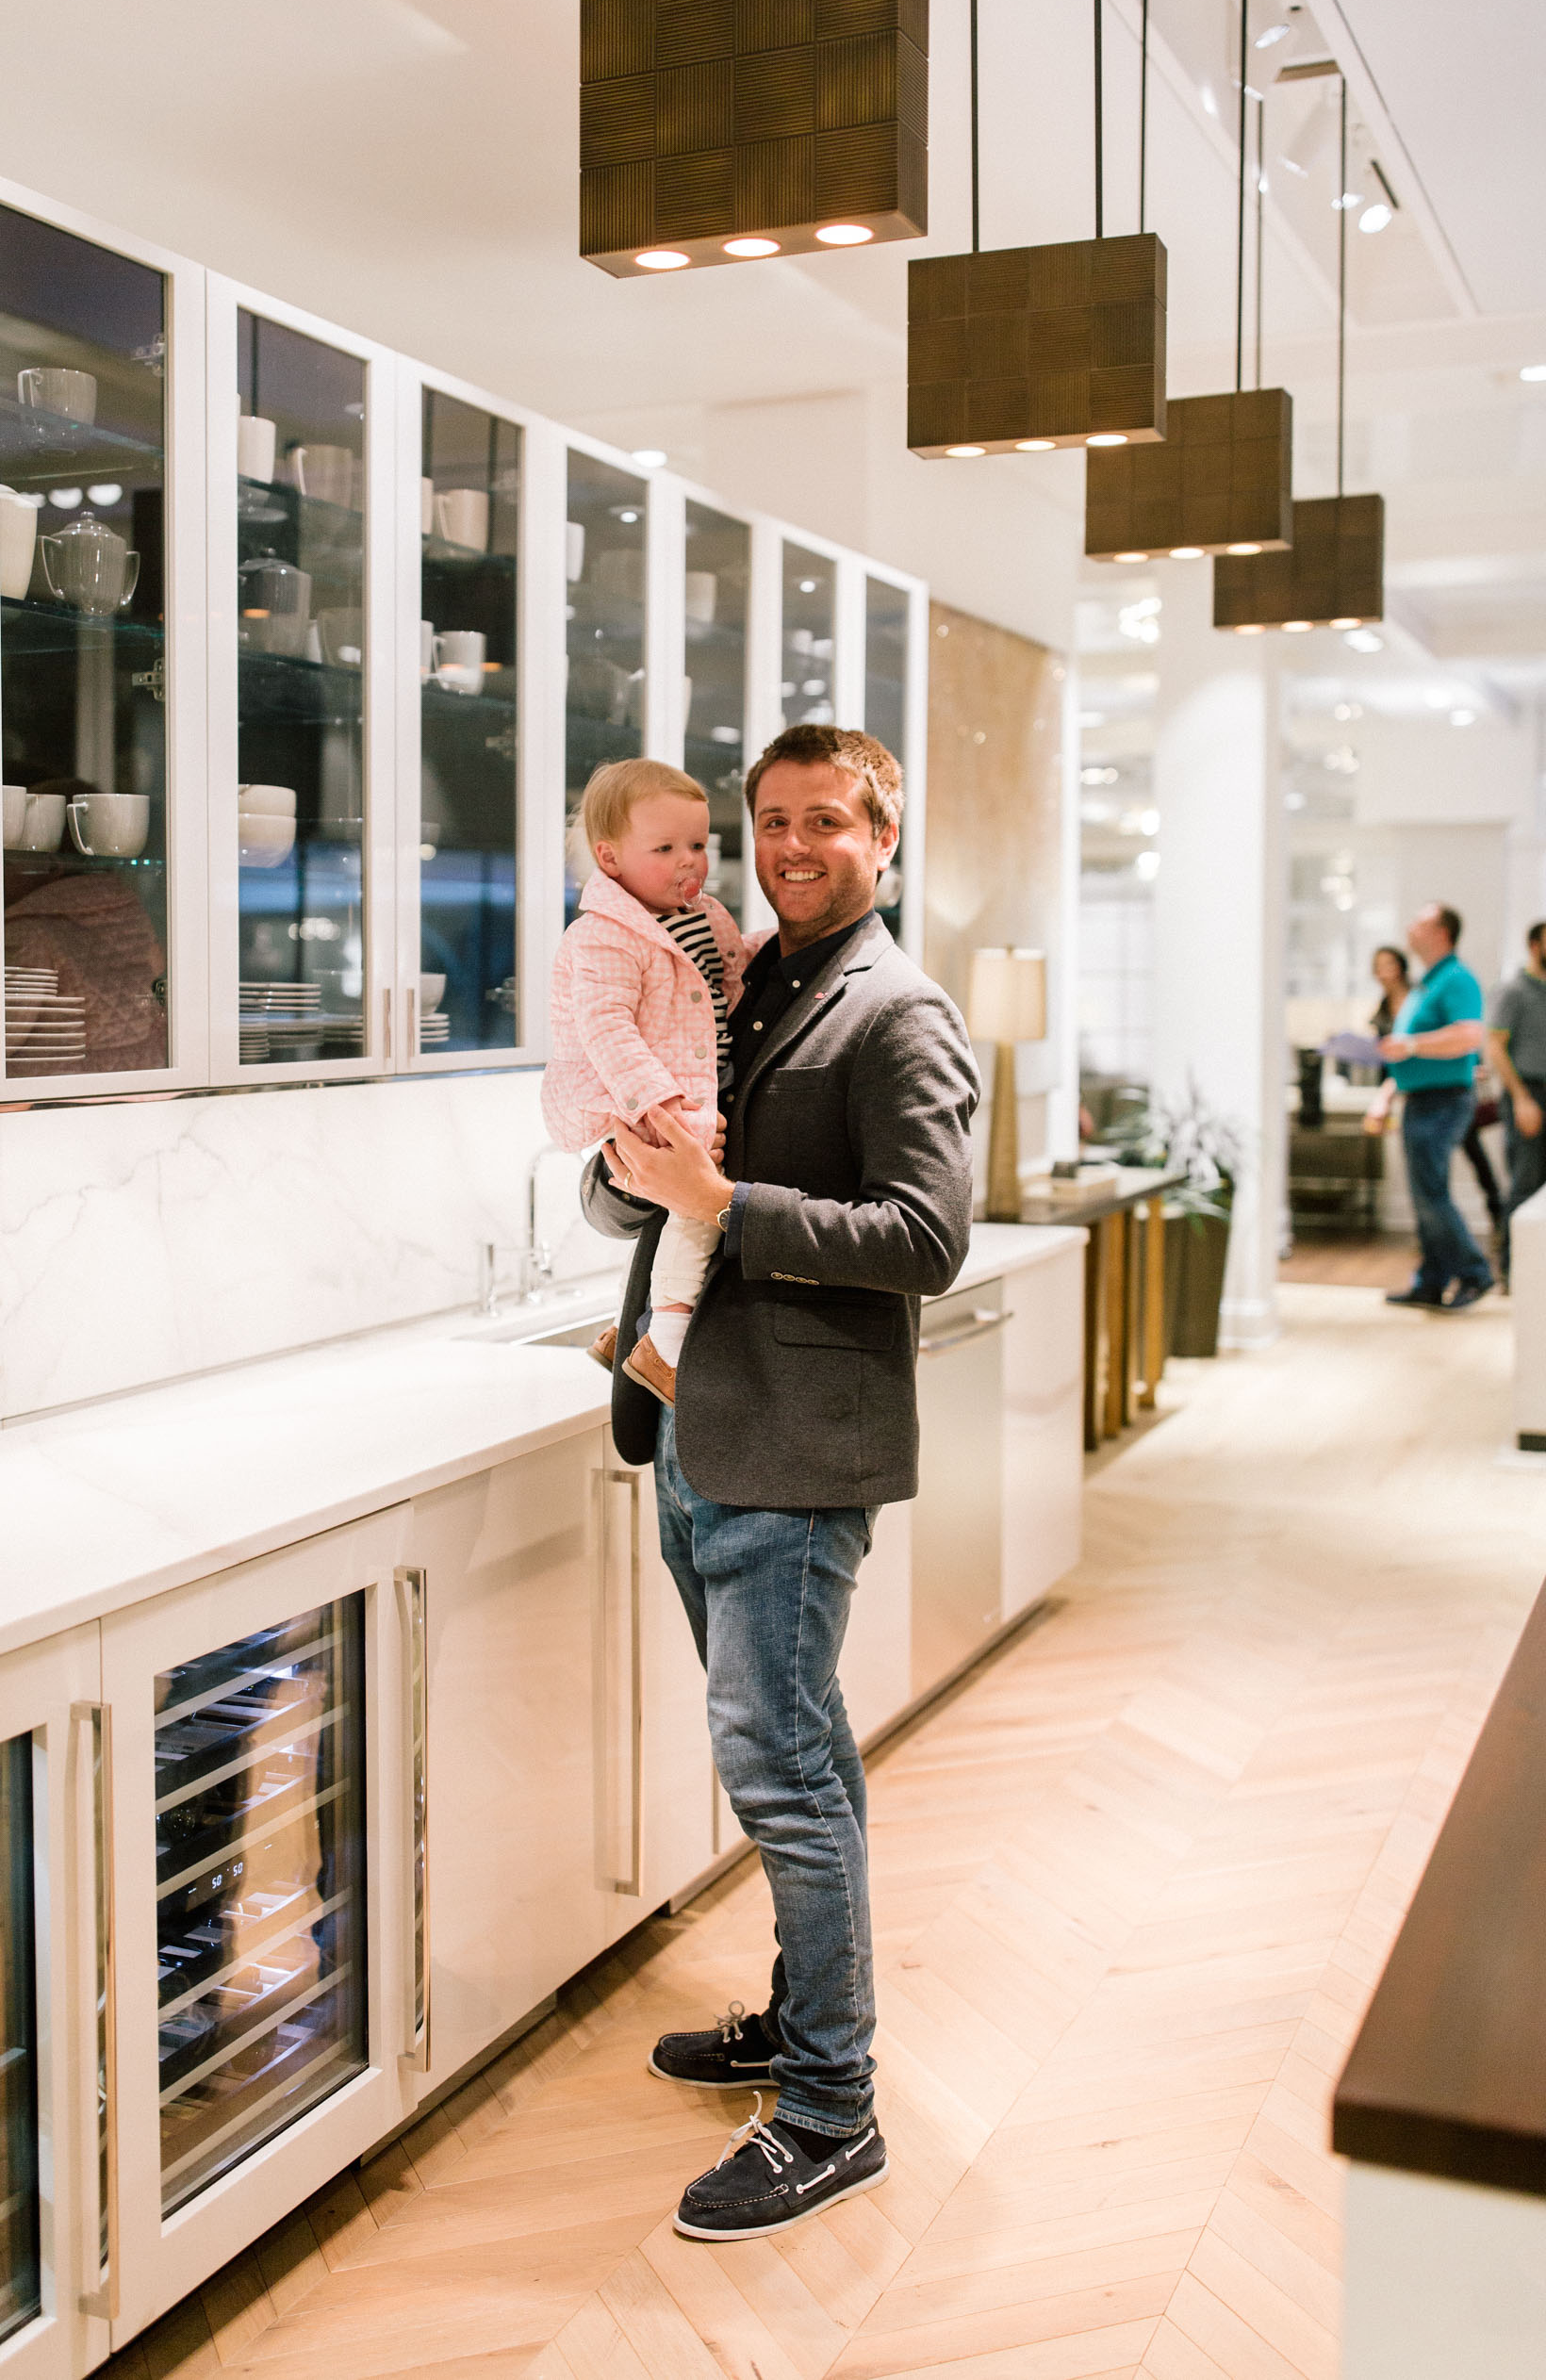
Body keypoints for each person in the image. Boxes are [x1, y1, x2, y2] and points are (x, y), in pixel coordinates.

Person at [579, 722, 979, 2240]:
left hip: (797, 1449)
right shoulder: (745, 985)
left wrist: (726, 1202)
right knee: (796, 1753)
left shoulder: (899, 1011)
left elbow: (926, 1240)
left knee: (781, 1771)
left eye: (826, 821)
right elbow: (646, 1172)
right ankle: (802, 2013)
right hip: (695, 1422)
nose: (793, 847)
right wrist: (631, 1174)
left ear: (886, 835)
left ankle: (829, 2107)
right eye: (771, 821)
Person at [542, 759, 756, 1405]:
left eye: (698, 844)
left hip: (691, 1080)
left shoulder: (701, 913)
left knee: (676, 1206)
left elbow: (732, 968)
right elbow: (606, 1027)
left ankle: (624, 1329)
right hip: (645, 1096)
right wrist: (663, 1107)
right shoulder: (605, 934)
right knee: (698, 1204)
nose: (688, 861)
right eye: (664, 848)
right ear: (610, 859)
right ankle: (664, 1345)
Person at [1368, 902, 1492, 1309]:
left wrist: (1413, 1045)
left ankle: (1475, 1273)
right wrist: (1388, 1091)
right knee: (1425, 1195)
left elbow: (1471, 1034)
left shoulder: (1456, 978)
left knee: (1432, 1194)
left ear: (1441, 932)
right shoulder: (1427, 983)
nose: (1409, 927)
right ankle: (1432, 1280)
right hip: (1421, 1099)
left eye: (1419, 922)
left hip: (1442, 1101)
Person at [1489, 919, 1546, 1234]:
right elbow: (1495, 1047)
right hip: (1528, 1095)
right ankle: (1512, 1274)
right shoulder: (1513, 990)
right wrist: (1522, 1099)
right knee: (1526, 1184)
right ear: (1535, 946)